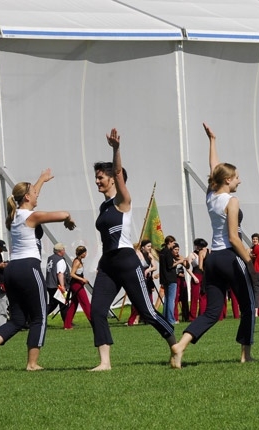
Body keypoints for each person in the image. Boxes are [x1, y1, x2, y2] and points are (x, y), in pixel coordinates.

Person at [170, 122, 256, 367]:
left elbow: (213, 168)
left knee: (212, 311)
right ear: (228, 180)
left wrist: (212, 141)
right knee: (249, 305)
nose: (240, 181)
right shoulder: (232, 201)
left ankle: (181, 345)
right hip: (230, 256)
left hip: (213, 260)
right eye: (237, 177)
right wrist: (249, 262)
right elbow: (234, 238)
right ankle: (246, 354)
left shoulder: (211, 196)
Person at [90, 128, 176, 371]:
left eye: (101, 177)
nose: (97, 181)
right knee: (97, 311)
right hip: (108, 264)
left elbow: (118, 171)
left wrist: (116, 149)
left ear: (114, 179)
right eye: (96, 177)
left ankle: (175, 345)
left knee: (147, 312)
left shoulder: (122, 200)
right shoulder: (104, 206)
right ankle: (105, 362)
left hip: (127, 261)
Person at [0, 169, 76, 370]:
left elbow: (32, 194)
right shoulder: (32, 216)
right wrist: (68, 219)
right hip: (28, 268)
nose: (37, 194)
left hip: (12, 269)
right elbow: (63, 214)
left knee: (17, 320)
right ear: (27, 197)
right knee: (39, 316)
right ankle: (32, 364)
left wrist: (41, 180)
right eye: (34, 192)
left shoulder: (14, 216)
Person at [128, 240, 158, 326]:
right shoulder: (137, 254)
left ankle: (148, 318)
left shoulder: (150, 255)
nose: (150, 248)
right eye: (148, 246)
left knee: (149, 299)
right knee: (137, 299)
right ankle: (134, 319)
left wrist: (148, 270)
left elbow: (155, 267)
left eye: (150, 246)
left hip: (147, 279)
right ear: (143, 247)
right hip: (138, 278)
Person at [64, 245, 92, 329]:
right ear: (82, 253)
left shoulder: (79, 260)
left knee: (74, 304)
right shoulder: (77, 262)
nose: (86, 254)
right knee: (86, 303)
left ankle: (67, 325)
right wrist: (82, 279)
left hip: (78, 284)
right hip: (76, 285)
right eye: (85, 252)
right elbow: (72, 274)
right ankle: (93, 321)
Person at [45, 243, 70, 323]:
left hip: (50, 285)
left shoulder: (51, 258)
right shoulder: (60, 260)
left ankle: (36, 318)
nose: (64, 251)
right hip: (57, 286)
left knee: (53, 304)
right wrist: (62, 286)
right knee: (64, 304)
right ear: (60, 251)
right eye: (63, 249)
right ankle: (67, 323)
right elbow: (60, 273)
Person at [187, 238, 208, 321]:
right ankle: (192, 316)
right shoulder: (192, 254)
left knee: (203, 295)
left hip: (204, 275)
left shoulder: (205, 252)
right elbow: (187, 267)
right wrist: (193, 277)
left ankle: (202, 314)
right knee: (194, 296)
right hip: (196, 274)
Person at [159, 235, 179, 324]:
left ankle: (165, 318)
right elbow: (170, 265)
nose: (173, 245)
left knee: (167, 299)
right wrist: (179, 262)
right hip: (171, 278)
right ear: (169, 242)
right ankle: (171, 319)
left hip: (164, 278)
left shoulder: (162, 252)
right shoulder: (168, 252)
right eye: (173, 243)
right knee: (171, 299)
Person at [171, 243, 193, 323]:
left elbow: (187, 267)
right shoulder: (170, 257)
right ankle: (175, 317)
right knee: (175, 299)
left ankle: (185, 316)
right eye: (175, 249)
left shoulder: (180, 257)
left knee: (184, 298)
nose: (177, 251)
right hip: (174, 279)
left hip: (182, 280)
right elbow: (170, 267)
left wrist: (186, 261)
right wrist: (179, 262)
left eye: (178, 249)